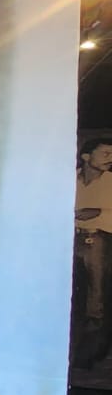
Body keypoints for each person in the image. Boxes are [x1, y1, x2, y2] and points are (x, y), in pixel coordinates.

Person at [73, 136, 112, 370]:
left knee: (95, 301)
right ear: (87, 156)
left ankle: (86, 357)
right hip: (69, 240)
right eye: (105, 153)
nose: (110, 158)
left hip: (98, 241)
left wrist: (98, 212)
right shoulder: (69, 179)